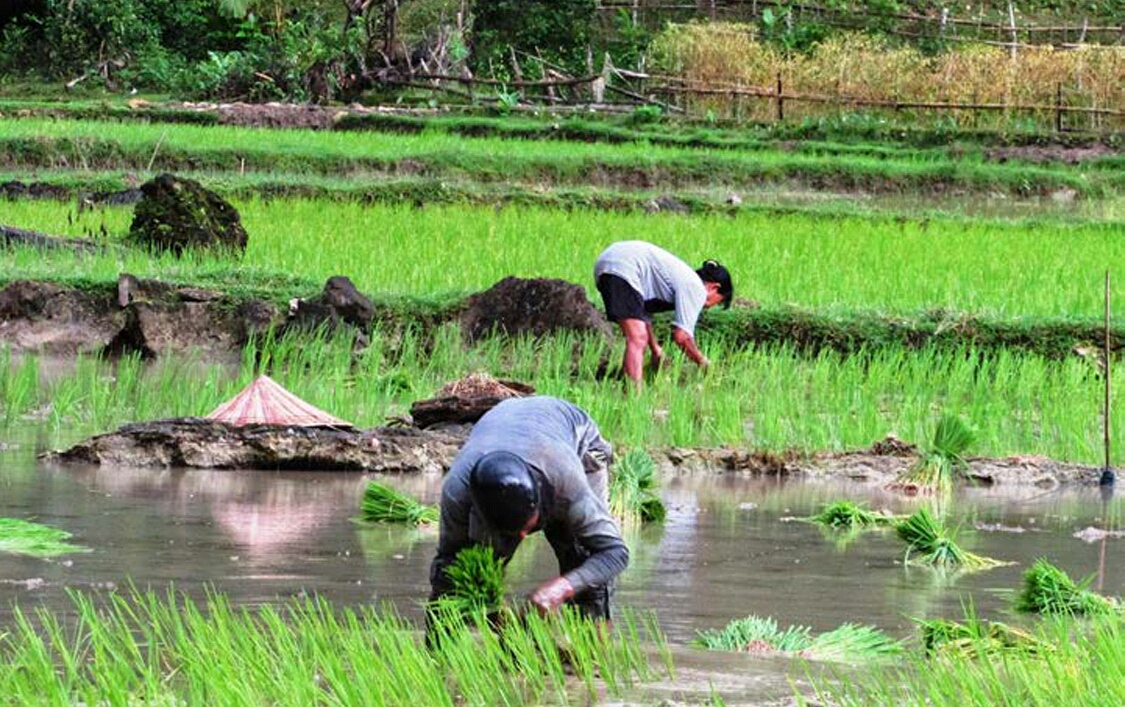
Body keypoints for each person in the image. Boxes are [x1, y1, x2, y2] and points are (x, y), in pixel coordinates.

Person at [429, 396, 627, 620]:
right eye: (511, 533)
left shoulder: (567, 482)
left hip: (577, 443)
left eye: (525, 527)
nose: (523, 538)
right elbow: (448, 562)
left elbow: (615, 553)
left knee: (581, 559)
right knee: (473, 567)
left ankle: (593, 648)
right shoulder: (458, 491)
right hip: (503, 426)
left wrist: (562, 587)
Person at [594, 240, 733, 385]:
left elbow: (642, 314)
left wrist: (655, 350)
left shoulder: (679, 279)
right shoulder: (696, 288)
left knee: (637, 335)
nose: (709, 307)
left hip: (607, 262)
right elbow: (682, 337)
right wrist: (702, 362)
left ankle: (627, 386)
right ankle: (634, 397)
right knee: (637, 338)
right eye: (719, 301)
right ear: (714, 287)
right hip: (624, 267)